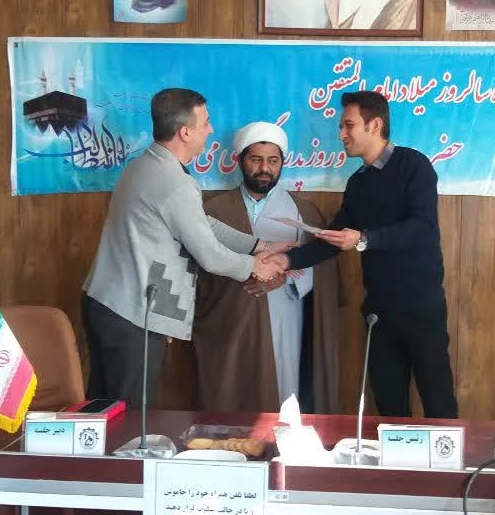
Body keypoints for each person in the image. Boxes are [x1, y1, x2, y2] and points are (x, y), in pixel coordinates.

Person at [81, 89, 284, 406]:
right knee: (129, 414)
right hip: (131, 313)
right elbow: (211, 256)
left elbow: (201, 223)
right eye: (206, 122)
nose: (211, 130)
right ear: (185, 132)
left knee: (104, 409)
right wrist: (257, 267)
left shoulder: (146, 164)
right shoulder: (174, 182)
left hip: (110, 303)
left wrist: (259, 245)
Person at [264, 91, 457, 419]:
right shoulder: (358, 183)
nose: (341, 134)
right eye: (341, 126)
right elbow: (334, 240)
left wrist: (365, 239)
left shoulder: (413, 165)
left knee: (438, 400)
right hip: (378, 312)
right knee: (389, 405)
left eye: (348, 125)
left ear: (375, 125)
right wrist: (287, 261)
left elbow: (421, 228)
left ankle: (450, 456)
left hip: (421, 308)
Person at [190, 122, 343, 414]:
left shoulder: (304, 212)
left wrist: (283, 280)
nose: (264, 168)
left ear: (282, 163)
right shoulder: (213, 210)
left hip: (285, 314)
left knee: (283, 391)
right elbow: (199, 268)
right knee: (231, 395)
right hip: (230, 319)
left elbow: (322, 269)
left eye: (273, 161)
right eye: (256, 159)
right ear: (240, 160)